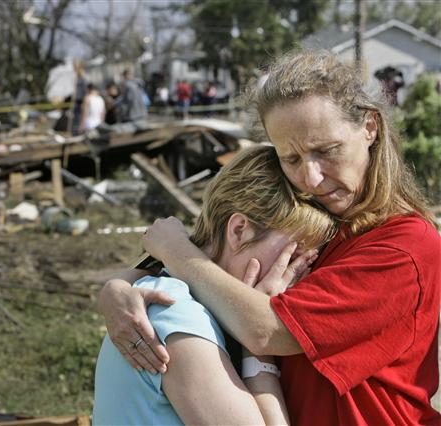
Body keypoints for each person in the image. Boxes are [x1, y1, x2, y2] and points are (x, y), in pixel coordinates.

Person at [99, 50, 440, 425]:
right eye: (290, 158)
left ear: (370, 127)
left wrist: (176, 251)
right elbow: (221, 259)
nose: (310, 178)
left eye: (326, 151)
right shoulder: (326, 217)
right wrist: (118, 286)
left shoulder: (404, 247)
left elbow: (265, 329)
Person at [93, 145, 337, 425]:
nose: (298, 276)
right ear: (239, 230)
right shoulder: (174, 312)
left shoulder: (184, 301)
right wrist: (259, 348)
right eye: (291, 256)